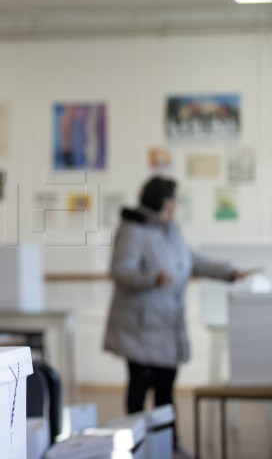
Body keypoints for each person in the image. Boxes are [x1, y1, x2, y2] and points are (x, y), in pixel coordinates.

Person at [103, 175, 257, 450]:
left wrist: (229, 272)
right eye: (173, 197)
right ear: (162, 200)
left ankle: (168, 444)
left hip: (166, 326)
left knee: (166, 390)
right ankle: (134, 446)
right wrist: (151, 278)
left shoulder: (170, 230)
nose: (176, 203)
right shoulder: (133, 229)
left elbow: (193, 260)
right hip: (140, 327)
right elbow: (120, 271)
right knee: (139, 389)